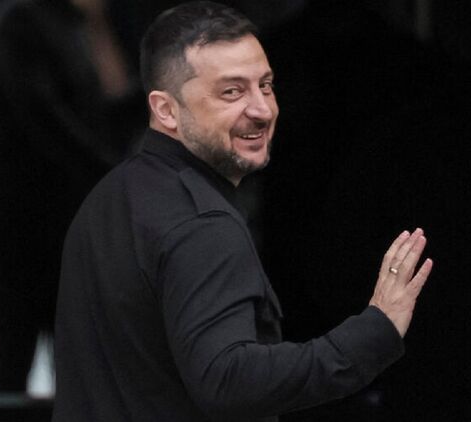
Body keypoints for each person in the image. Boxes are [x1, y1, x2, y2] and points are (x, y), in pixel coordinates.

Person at [52, 2, 433, 420]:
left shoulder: (109, 197)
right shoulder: (202, 224)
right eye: (231, 92)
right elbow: (229, 381)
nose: (262, 110)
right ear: (166, 110)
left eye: (265, 86)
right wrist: (375, 331)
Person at [0, 0, 143, 393]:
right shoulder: (21, 22)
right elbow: (46, 119)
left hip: (62, 227)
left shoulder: (71, 26)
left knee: (72, 371)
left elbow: (97, 115)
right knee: (17, 368)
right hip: (21, 230)